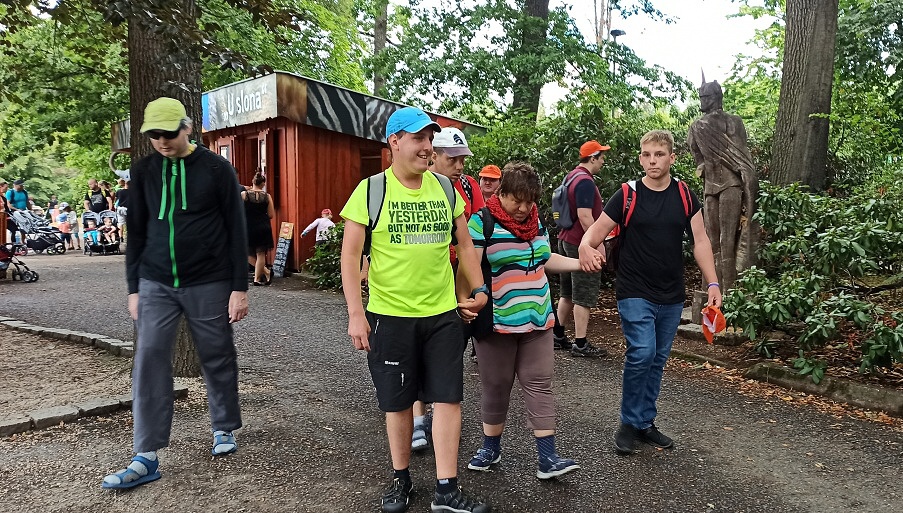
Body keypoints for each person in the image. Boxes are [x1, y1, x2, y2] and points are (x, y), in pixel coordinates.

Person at [339, 106, 492, 513]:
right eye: (418, 139)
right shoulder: (371, 191)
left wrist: (479, 288)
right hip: (389, 316)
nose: (427, 147)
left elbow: (465, 245)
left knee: (449, 399)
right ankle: (401, 479)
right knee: (398, 402)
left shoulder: (445, 189)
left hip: (442, 315)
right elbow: (350, 257)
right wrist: (356, 314)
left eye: (430, 139)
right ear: (395, 142)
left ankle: (447, 490)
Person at [102, 97, 249, 490]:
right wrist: (134, 288)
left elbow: (237, 230)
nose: (162, 141)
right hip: (155, 281)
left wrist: (239, 287)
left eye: (168, 133)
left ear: (187, 128)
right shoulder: (144, 171)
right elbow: (137, 231)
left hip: (209, 279)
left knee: (216, 352)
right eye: (154, 135)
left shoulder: (217, 169)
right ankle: (145, 455)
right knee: (149, 357)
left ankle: (223, 425)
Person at [577, 129, 722, 455]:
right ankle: (629, 422)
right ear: (640, 158)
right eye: (646, 155)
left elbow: (700, 241)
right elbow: (595, 233)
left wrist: (713, 283)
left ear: (672, 158)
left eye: (659, 154)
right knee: (642, 352)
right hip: (634, 289)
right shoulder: (626, 194)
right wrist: (586, 247)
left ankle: (644, 422)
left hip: (671, 294)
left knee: (656, 359)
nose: (652, 161)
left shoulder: (684, 195)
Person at [464, 162, 599, 480]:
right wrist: (466, 300)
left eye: (530, 201)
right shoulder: (481, 222)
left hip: (538, 317)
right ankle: (490, 447)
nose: (524, 208)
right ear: (502, 193)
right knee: (497, 386)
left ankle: (548, 458)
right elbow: (469, 267)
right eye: (517, 201)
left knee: (539, 384)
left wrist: (580, 263)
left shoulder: (536, 223)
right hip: (497, 321)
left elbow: (545, 259)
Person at [410, 126, 484, 452]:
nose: (460, 165)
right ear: (433, 156)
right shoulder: (414, 185)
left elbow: (473, 236)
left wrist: (473, 289)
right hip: (422, 283)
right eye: (452, 159)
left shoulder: (465, 188)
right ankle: (417, 418)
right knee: (417, 353)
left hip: (456, 279)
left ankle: (441, 416)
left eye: (463, 159)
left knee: (447, 353)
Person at [687, 76, 758, 292]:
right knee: (710, 239)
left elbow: (740, 152)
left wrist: (743, 173)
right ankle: (711, 287)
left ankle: (730, 289)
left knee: (728, 238)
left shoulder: (733, 121)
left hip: (731, 184)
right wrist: (701, 166)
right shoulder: (696, 127)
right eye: (700, 96)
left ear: (716, 97)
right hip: (710, 187)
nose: (702, 100)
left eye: (705, 96)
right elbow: (696, 154)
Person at [553, 140, 610, 357]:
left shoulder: (571, 176)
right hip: (579, 243)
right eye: (601, 157)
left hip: (565, 238)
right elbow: (585, 216)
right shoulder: (585, 182)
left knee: (567, 292)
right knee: (583, 294)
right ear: (592, 158)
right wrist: (598, 244)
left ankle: (558, 334)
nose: (603, 161)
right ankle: (581, 343)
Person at [242, 170, 275, 285]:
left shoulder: (244, 195)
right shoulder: (267, 196)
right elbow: (271, 214)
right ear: (263, 184)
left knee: (245, 252)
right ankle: (259, 277)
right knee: (260, 254)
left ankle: (263, 273)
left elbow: (237, 210)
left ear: (253, 182)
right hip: (263, 226)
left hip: (248, 226)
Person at [5, 178, 32, 243]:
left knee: (24, 226)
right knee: (15, 228)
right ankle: (14, 242)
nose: (22, 187)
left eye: (23, 185)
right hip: (15, 212)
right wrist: (17, 209)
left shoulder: (24, 192)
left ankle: (23, 241)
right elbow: (8, 204)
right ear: (15, 185)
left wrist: (30, 209)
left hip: (23, 211)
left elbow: (27, 201)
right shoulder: (10, 192)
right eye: (20, 185)